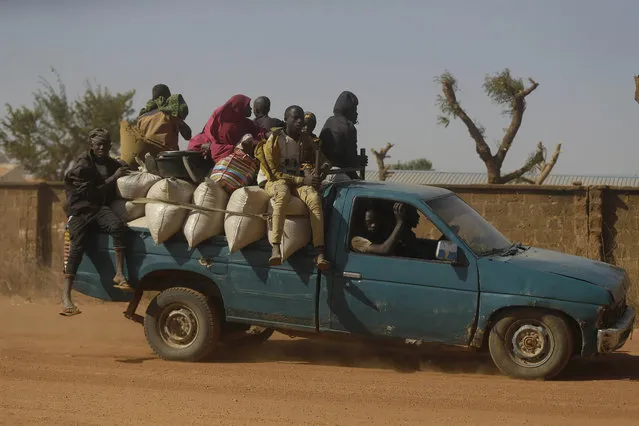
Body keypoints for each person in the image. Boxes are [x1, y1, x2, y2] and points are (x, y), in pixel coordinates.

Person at [61, 128, 133, 317]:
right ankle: (66, 297)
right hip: (81, 208)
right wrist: (114, 177)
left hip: (98, 208)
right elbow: (89, 193)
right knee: (77, 247)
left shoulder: (109, 163)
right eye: (98, 144)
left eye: (105, 145)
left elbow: (118, 169)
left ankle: (119, 274)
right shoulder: (83, 164)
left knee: (117, 227)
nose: (102, 148)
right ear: (92, 146)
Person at [254, 105, 329, 270]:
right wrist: (302, 179)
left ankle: (319, 252)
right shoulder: (274, 139)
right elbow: (273, 173)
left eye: (301, 117)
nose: (299, 121)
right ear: (286, 119)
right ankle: (275, 247)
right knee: (282, 194)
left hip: (297, 181)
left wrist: (321, 170)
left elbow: (323, 160)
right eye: (295, 117)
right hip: (274, 180)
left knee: (315, 198)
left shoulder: (305, 138)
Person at [119, 84, 191, 167]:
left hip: (146, 159)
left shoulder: (142, 117)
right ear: (168, 98)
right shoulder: (170, 115)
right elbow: (188, 135)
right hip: (168, 159)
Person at [188, 94, 266, 164]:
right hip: (210, 149)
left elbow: (257, 132)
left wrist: (265, 135)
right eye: (247, 106)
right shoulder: (227, 127)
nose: (250, 108)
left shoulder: (245, 123)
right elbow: (228, 148)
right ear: (239, 108)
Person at [319, 91, 368, 180]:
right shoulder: (348, 126)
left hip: (323, 173)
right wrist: (360, 160)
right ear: (349, 109)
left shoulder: (329, 121)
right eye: (355, 109)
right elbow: (350, 160)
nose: (356, 113)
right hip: (338, 173)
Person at [351, 202, 419, 257]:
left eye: (376, 221)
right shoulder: (356, 240)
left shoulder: (379, 234)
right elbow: (384, 250)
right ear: (362, 222)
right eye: (369, 222)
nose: (373, 225)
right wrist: (400, 222)